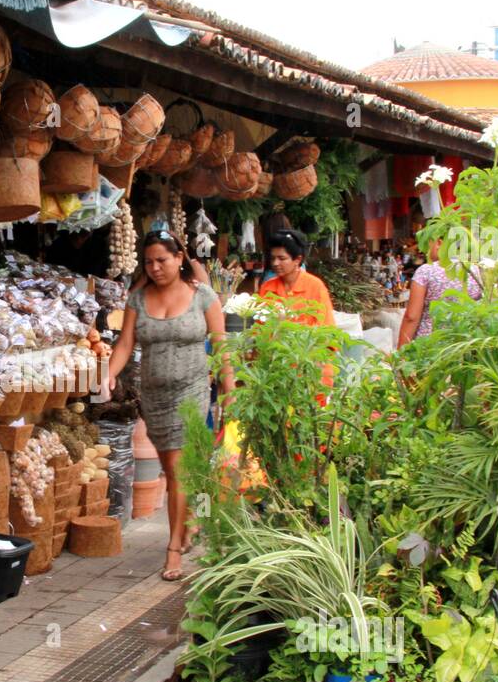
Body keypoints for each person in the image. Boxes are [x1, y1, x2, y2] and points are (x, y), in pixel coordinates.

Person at [104, 230, 233, 582]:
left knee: (177, 470)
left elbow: (221, 346)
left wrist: (230, 388)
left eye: (163, 259)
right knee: (173, 468)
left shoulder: (203, 296)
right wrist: (108, 375)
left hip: (191, 392)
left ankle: (173, 548)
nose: (156, 267)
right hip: (154, 397)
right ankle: (188, 525)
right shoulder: (137, 300)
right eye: (149, 262)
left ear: (180, 258)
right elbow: (125, 344)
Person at [259, 227, 336, 398]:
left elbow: (328, 334)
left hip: (311, 372)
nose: (275, 263)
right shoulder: (267, 287)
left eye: (282, 258)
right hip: (277, 373)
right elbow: (260, 332)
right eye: (273, 258)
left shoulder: (315, 287)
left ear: (298, 260)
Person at [397, 240, 482, 346]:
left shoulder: (426, 271)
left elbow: (411, 317)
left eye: (428, 245)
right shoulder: (475, 271)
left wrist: (401, 352)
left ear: (439, 243)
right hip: (463, 345)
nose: (426, 252)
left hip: (428, 348)